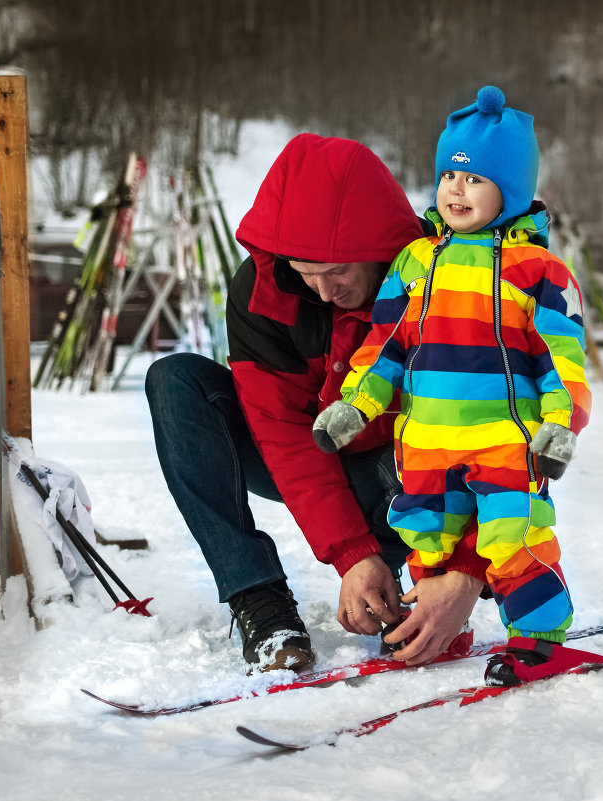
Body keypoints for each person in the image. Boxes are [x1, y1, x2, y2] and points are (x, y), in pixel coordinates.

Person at [144, 133, 489, 674]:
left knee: (427, 445)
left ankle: (430, 590)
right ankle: (260, 603)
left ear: (381, 249)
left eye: (338, 274)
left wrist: (463, 574)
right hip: (319, 462)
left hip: (410, 478)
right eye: (307, 274)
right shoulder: (264, 292)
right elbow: (280, 431)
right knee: (176, 381)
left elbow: (499, 433)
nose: (323, 294)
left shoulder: (452, 282)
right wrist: (351, 555)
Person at [312, 86, 592, 687]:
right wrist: (357, 404)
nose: (456, 190)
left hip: (505, 441)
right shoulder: (415, 261)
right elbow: (385, 345)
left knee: (512, 538)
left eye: (475, 180)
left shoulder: (536, 272)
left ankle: (539, 641)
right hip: (428, 442)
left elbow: (559, 356)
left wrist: (559, 423)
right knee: (427, 537)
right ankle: (442, 629)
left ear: (509, 191)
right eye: (448, 177)